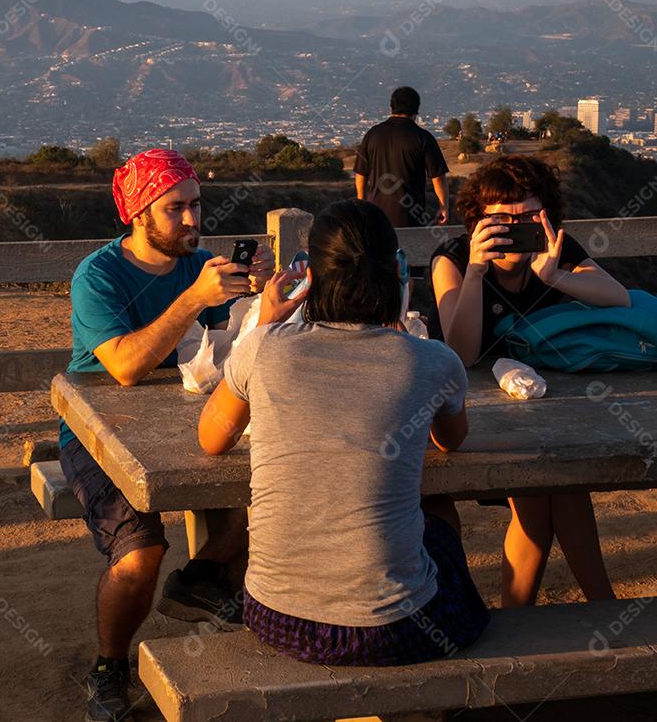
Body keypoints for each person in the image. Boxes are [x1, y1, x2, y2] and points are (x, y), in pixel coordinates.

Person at [199, 199, 489, 667]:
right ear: (396, 272)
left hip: (277, 617)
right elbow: (450, 441)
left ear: (310, 274)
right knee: (437, 508)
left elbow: (211, 440)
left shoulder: (264, 350)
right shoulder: (432, 361)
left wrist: (266, 327)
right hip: (393, 629)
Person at [60, 148, 273, 721]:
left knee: (278, 495)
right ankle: (110, 665)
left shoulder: (199, 265)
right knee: (140, 551)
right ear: (138, 214)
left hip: (184, 425)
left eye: (196, 206)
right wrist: (193, 300)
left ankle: (202, 579)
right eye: (175, 208)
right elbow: (126, 368)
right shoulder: (99, 275)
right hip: (96, 432)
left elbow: (228, 355)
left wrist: (267, 305)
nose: (191, 220)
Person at [429, 155, 629, 607]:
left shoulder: (554, 250)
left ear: (547, 215)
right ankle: (602, 608)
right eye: (500, 216)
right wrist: (478, 271)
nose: (515, 225)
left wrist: (556, 274)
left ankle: (523, 619)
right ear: (477, 221)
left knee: (553, 498)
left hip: (548, 408)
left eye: (527, 214)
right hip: (479, 417)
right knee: (552, 495)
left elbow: (616, 296)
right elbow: (461, 352)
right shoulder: (454, 258)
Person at [355, 87, 450, 228]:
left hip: (375, 215)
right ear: (416, 110)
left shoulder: (372, 135)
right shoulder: (423, 137)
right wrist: (443, 206)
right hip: (411, 216)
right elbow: (438, 178)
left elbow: (361, 175)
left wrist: (361, 205)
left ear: (391, 108)